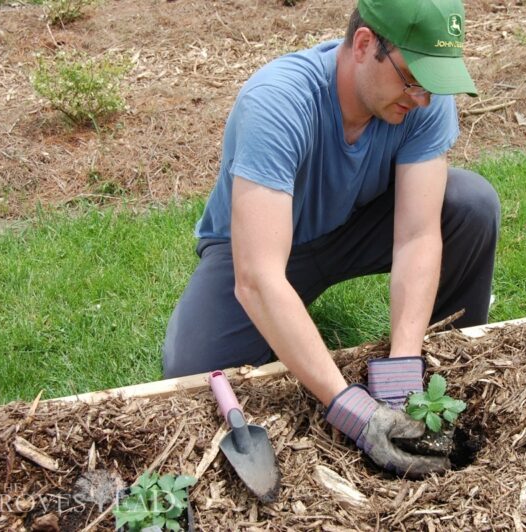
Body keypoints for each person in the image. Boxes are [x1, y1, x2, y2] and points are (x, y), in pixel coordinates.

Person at [163, 0, 500, 477]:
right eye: (412, 79)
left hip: (356, 227)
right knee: (191, 370)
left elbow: (417, 236)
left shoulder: (423, 98)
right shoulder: (278, 102)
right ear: (365, 44)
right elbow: (257, 277)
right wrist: (351, 409)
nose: (422, 99)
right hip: (267, 252)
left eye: (432, 83)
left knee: (469, 205)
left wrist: (403, 364)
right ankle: (294, 321)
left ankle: (446, 358)